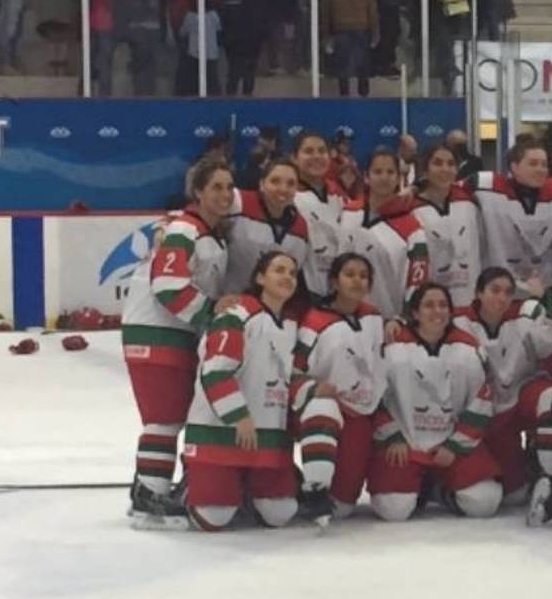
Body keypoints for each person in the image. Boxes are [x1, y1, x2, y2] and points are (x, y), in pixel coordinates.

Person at [122, 161, 236, 525]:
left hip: (170, 331)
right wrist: (211, 311)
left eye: (229, 187)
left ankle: (147, 487)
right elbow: (168, 285)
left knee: (169, 416)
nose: (224, 194)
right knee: (164, 418)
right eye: (216, 187)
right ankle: (150, 496)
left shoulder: (207, 232)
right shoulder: (185, 228)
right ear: (198, 192)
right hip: (155, 331)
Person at [181, 252, 303, 530]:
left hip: (268, 435)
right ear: (260, 278)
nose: (287, 277)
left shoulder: (292, 323)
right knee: (214, 515)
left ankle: (245, 487)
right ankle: (191, 483)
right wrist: (238, 415)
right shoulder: (236, 314)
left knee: (280, 512)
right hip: (220, 429)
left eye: (292, 273)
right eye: (279, 270)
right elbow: (216, 371)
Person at [368, 283, 503, 521]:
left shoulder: (468, 348)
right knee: (393, 509)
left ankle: (439, 490)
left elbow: (482, 399)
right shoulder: (391, 347)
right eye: (428, 305)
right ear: (415, 312)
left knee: (485, 502)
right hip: (406, 444)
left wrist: (456, 445)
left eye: (442, 305)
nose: (437, 311)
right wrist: (392, 436)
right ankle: (421, 487)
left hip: (453, 443)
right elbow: (373, 394)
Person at [452, 268, 552, 505]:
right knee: (513, 494)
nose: (501, 298)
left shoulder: (524, 315)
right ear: (478, 293)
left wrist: (545, 296)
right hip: (479, 410)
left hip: (519, 398)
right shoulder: (458, 320)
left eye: (508, 292)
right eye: (494, 290)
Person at [292, 253, 385, 521]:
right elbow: (293, 371)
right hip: (325, 409)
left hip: (362, 412)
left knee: (342, 507)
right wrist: (311, 388)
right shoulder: (314, 321)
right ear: (334, 281)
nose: (357, 281)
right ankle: (314, 488)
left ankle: (304, 489)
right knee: (323, 406)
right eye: (349, 274)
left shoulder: (374, 316)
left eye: (363, 276)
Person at [469, 139, 552, 291]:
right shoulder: (487, 187)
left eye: (544, 164)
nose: (540, 169)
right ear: (514, 167)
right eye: (533, 164)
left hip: (544, 286)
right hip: (499, 289)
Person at [338, 149, 430, 318]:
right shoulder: (348, 212)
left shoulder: (412, 228)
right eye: (378, 172)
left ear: (398, 178)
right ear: (366, 177)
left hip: (389, 320)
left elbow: (417, 281)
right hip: (347, 316)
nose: (384, 177)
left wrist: (404, 318)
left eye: (390, 172)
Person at [222, 159, 311, 301]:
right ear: (262, 184)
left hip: (267, 307)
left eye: (290, 184)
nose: (283, 189)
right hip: (225, 300)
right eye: (275, 181)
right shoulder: (238, 202)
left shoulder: (301, 227)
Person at [411, 145, 482, 307]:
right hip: (431, 306)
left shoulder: (469, 205)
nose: (445, 169)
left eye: (451, 164)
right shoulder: (412, 210)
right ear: (425, 170)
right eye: (437, 163)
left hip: (469, 301)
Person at [292, 132, 347, 300]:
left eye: (322, 151)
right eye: (308, 151)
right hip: (303, 292)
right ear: (294, 158)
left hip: (339, 289)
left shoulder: (338, 194)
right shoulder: (288, 195)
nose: (316, 156)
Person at [322, 0, 378, 97]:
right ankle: (364, 96)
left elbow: (325, 13)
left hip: (340, 28)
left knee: (342, 68)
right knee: (363, 67)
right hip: (361, 27)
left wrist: (326, 36)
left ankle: (344, 98)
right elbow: (372, 10)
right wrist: (375, 33)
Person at [220, 0, 267, 97]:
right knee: (234, 74)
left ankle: (247, 98)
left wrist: (260, 38)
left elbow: (262, 21)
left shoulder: (258, 0)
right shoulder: (230, 0)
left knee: (249, 75)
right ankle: (230, 100)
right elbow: (224, 21)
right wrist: (228, 40)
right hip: (234, 46)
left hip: (252, 45)